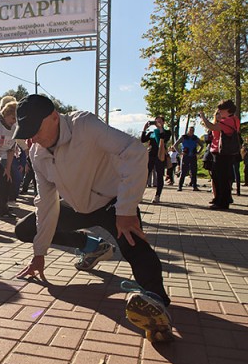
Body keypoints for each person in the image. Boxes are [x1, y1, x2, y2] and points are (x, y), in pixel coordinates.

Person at [13, 94, 173, 343]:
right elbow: (46, 204)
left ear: (54, 117)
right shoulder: (37, 153)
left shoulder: (85, 125)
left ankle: (156, 301)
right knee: (25, 229)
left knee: (133, 244)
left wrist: (126, 209)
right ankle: (92, 245)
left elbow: (135, 151)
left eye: (35, 130)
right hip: (77, 207)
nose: (31, 139)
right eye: (26, 132)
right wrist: (39, 253)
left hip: (112, 203)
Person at [199, 100, 241, 210]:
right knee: (220, 176)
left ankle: (222, 202)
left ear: (227, 110)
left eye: (221, 110)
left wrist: (203, 117)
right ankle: (220, 199)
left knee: (221, 177)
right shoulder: (235, 119)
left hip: (222, 153)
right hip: (225, 152)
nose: (219, 112)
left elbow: (212, 127)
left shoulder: (228, 121)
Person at [141, 116, 171, 204]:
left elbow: (164, 138)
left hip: (160, 155)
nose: (157, 123)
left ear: (163, 122)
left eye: (159, 121)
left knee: (159, 175)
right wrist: (145, 129)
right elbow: (143, 140)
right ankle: (140, 194)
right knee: (146, 174)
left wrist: (160, 128)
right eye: (156, 122)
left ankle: (157, 195)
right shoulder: (151, 133)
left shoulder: (167, 132)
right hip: (151, 155)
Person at [174, 126, 203, 191]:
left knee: (194, 172)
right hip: (185, 156)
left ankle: (194, 186)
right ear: (188, 130)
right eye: (190, 130)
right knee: (183, 172)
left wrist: (198, 152)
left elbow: (202, 145)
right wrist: (180, 152)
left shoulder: (195, 138)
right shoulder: (183, 137)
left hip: (193, 156)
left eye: (193, 130)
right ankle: (180, 186)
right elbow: (175, 145)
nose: (191, 132)